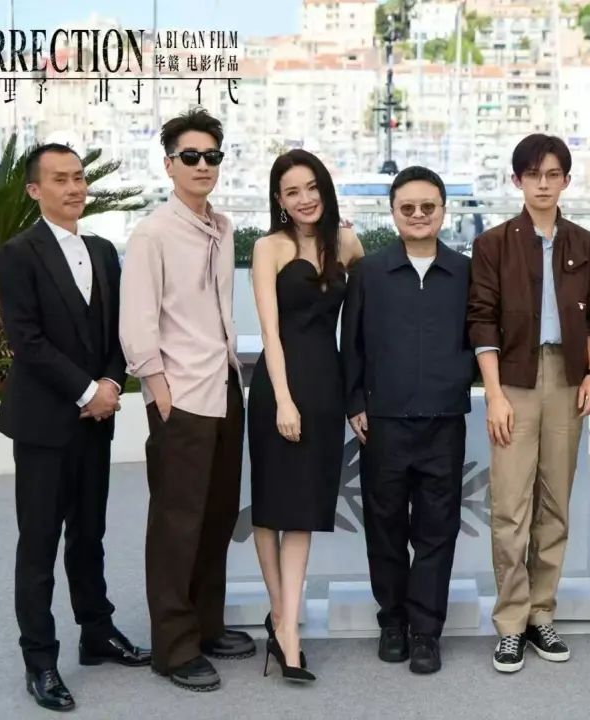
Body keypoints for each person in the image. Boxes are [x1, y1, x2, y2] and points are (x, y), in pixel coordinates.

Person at [0, 143, 150, 712]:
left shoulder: (104, 251)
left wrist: (110, 383)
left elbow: (118, 332)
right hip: (43, 425)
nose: (75, 187)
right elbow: (26, 340)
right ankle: (39, 661)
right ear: (35, 190)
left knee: (90, 535)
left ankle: (97, 633)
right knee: (38, 545)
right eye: (60, 179)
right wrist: (88, 391)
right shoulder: (18, 253)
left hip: (95, 422)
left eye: (80, 177)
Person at [120, 108, 254, 692]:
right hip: (180, 396)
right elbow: (137, 323)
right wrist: (160, 394)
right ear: (169, 164)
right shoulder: (152, 233)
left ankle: (206, 624)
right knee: (177, 524)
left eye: (212, 156)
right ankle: (173, 649)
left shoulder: (221, 227)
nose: (203, 166)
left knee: (218, 516)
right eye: (191, 157)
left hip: (224, 386)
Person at [467, 133, 590, 673]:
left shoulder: (586, 244)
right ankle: (510, 622)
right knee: (509, 506)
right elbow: (481, 318)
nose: (543, 184)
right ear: (516, 181)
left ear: (566, 180)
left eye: (552, 175)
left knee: (555, 504)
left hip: (568, 380)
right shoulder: (494, 243)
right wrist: (494, 394)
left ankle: (541, 614)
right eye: (532, 175)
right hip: (515, 380)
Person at [341, 166, 475, 675]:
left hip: (445, 420)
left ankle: (426, 632)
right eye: (408, 208)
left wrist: (459, 379)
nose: (419, 215)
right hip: (383, 423)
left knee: (438, 531)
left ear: (443, 211)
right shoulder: (370, 272)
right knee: (386, 528)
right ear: (394, 213)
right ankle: (392, 621)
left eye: (428, 207)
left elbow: (482, 337)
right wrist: (355, 401)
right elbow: (351, 343)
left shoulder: (465, 271)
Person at [247, 149, 364, 684]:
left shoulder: (347, 243)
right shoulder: (267, 247)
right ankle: (285, 624)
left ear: (325, 188)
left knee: (302, 510)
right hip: (279, 389)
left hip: (326, 388)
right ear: (279, 199)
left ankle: (284, 623)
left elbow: (366, 312)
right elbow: (269, 333)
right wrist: (283, 398)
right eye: (292, 191)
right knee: (272, 506)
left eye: (312, 187)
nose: (305, 198)